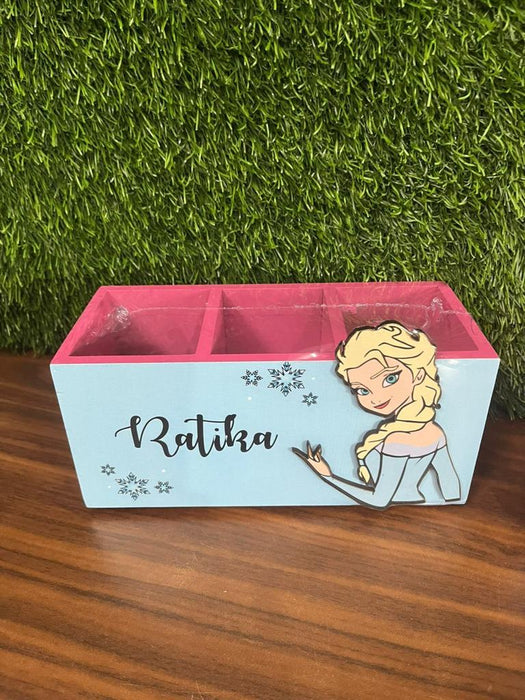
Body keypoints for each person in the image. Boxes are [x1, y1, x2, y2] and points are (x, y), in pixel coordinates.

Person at [293, 321, 461, 509]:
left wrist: (327, 476)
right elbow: (451, 485)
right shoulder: (435, 432)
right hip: (419, 509)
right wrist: (453, 512)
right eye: (362, 390)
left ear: (419, 374)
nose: (376, 397)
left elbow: (380, 500)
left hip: (389, 515)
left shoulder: (397, 440)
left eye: (390, 378)